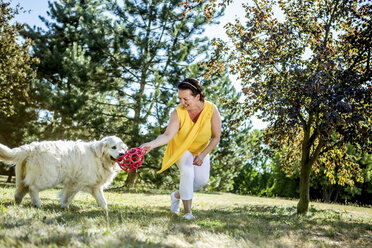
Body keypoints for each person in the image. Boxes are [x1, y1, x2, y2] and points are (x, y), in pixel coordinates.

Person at [140, 78, 222, 220]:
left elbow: (216, 137)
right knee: (188, 172)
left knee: (201, 181)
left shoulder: (211, 109)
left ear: (197, 96)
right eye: (179, 98)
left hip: (201, 149)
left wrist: (202, 155)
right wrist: (152, 144)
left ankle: (177, 195)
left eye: (186, 99)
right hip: (181, 148)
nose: (182, 103)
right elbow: (168, 135)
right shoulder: (177, 113)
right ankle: (188, 213)